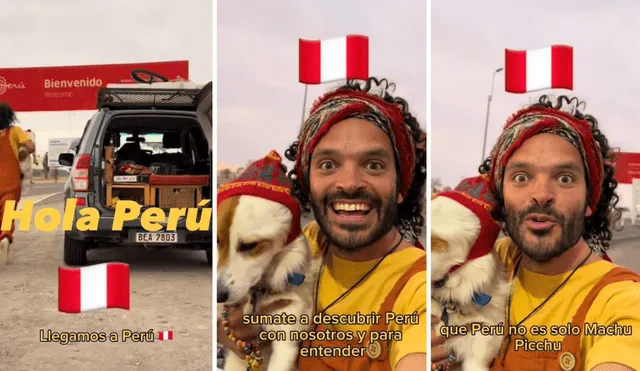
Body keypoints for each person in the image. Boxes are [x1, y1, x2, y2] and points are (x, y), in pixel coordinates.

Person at [218, 77, 427, 371]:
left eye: (373, 165)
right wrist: (233, 333)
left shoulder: (419, 287)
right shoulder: (303, 244)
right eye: (328, 165)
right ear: (307, 180)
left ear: (402, 185)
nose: (350, 183)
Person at [432, 95, 640, 371]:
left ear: (590, 201)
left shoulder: (621, 301)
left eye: (564, 178)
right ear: (501, 193)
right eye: (521, 177)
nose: (541, 195)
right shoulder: (497, 259)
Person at [0, 102, 35, 264]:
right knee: (7, 212)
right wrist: (24, 148)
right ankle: (5, 235)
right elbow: (30, 146)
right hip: (10, 180)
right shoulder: (15, 131)